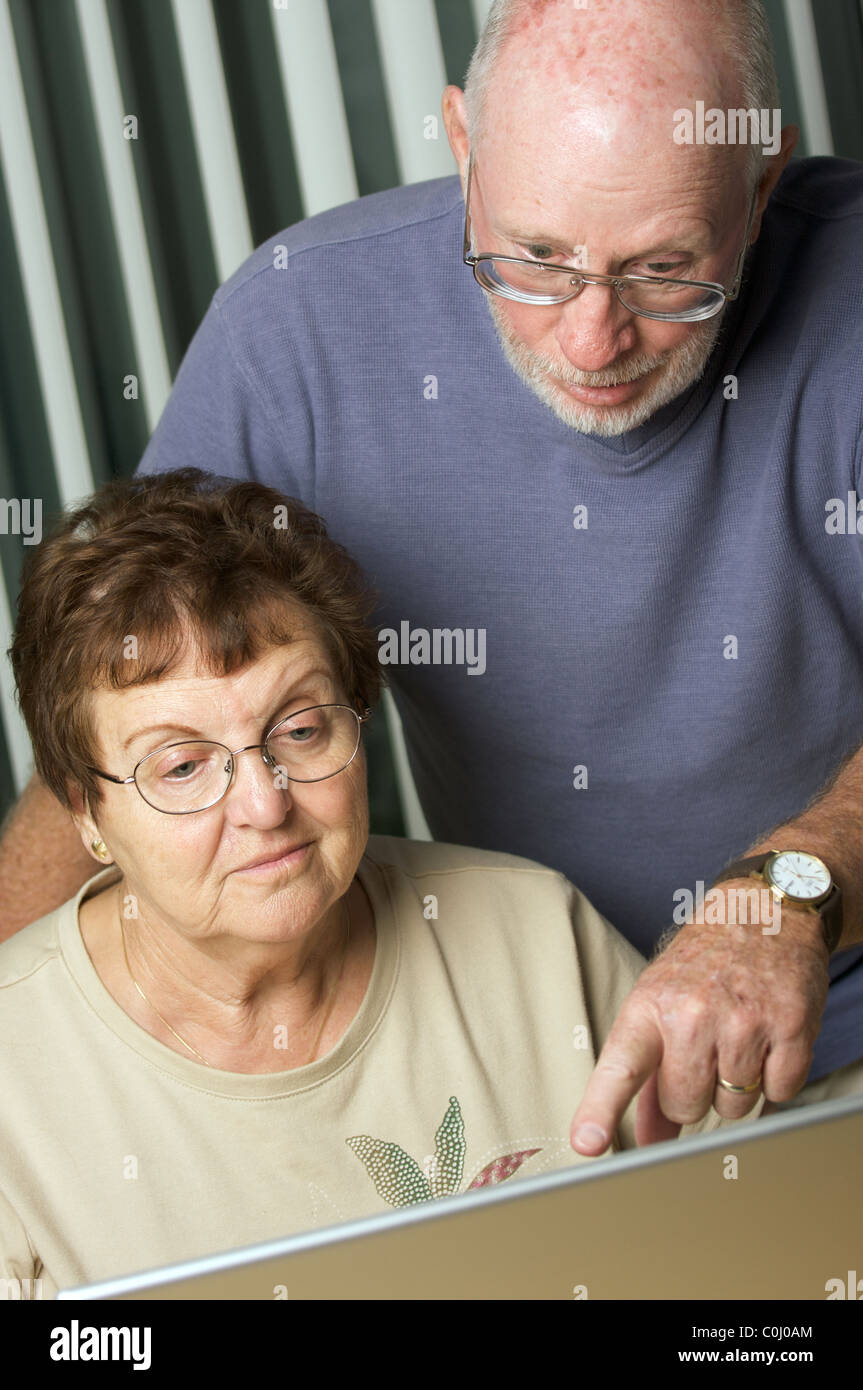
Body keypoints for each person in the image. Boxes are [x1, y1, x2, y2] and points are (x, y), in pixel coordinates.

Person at [2, 0, 863, 1155]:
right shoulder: (299, 327)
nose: (589, 342)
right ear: (460, 144)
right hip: (525, 1048)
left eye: (664, 272)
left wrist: (783, 902)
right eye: (533, 259)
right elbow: (132, 701)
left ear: (758, 188)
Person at [0, 468, 729, 1298]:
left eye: (301, 729)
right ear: (84, 812)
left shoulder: (539, 935)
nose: (265, 803)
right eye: (181, 765)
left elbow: (745, 1264)